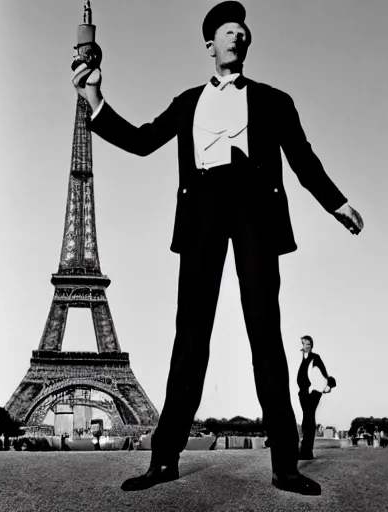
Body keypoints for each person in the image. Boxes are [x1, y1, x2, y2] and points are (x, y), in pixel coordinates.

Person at [72, 1, 364, 496]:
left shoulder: (275, 100)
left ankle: (285, 466)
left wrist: (336, 202)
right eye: (229, 31)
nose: (238, 37)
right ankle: (163, 460)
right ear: (210, 44)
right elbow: (143, 141)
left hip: (255, 209)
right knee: (190, 337)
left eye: (244, 31)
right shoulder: (187, 102)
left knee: (265, 334)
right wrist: (95, 99)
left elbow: (302, 159)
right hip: (202, 211)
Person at [297, 335, 336, 459]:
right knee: (306, 419)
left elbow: (324, 372)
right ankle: (305, 450)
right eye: (304, 343)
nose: (306, 346)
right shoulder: (303, 357)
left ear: (311, 345)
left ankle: (306, 452)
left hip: (313, 392)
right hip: (303, 392)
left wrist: (329, 385)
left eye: (308, 344)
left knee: (308, 418)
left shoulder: (315, 357)